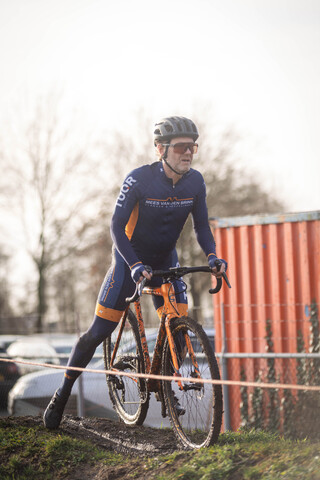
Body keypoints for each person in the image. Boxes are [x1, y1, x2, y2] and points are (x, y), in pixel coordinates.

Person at [43, 115, 227, 429]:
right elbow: (116, 226)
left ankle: (166, 388)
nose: (188, 153)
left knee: (178, 328)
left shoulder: (196, 181)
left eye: (192, 147)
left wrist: (213, 256)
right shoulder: (139, 179)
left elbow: (200, 226)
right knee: (97, 333)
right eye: (181, 147)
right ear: (161, 149)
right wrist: (134, 264)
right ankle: (62, 393)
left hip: (166, 259)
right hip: (130, 261)